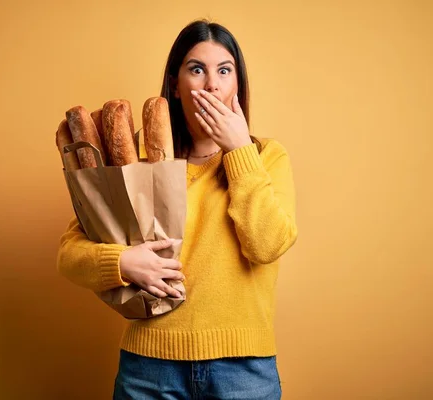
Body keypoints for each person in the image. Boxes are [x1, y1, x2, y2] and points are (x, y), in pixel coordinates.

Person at [57, 19, 298, 400]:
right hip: (148, 368)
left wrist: (238, 150)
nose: (211, 84)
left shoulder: (266, 156)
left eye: (224, 70)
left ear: (237, 84)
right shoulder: (136, 161)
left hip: (243, 370)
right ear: (175, 84)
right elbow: (69, 254)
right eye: (197, 69)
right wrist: (122, 263)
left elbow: (267, 245)